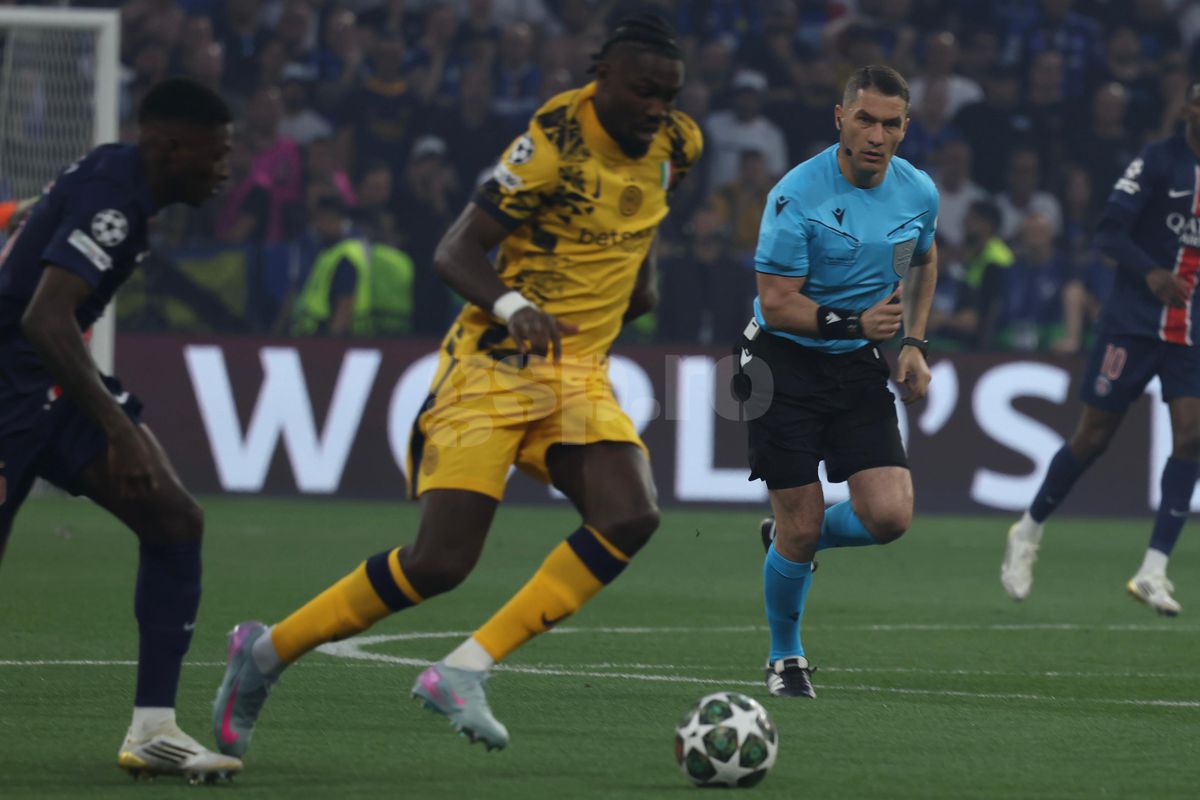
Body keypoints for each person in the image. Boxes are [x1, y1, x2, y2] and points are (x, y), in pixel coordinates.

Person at [212, 13, 702, 755]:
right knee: (440, 563)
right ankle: (264, 652)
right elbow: (455, 250)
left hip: (577, 374)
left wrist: (643, 281)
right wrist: (514, 306)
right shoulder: (551, 147)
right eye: (642, 91)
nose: (656, 109)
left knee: (631, 515)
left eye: (669, 95)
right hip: (492, 367)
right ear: (601, 77)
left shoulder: (678, 143)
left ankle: (464, 669)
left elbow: (647, 211)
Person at [0, 77, 240, 781]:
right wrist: (121, 430)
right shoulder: (113, 198)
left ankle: (154, 730)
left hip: (48, 383)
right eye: (215, 154)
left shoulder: (119, 177)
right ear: (171, 148)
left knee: (174, 519)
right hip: (10, 385)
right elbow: (45, 317)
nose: (224, 169)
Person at [740, 64, 938, 698]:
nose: (876, 135)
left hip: (854, 363)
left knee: (891, 517)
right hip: (779, 363)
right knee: (801, 525)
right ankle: (784, 658)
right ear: (840, 119)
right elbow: (776, 303)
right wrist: (855, 322)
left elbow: (924, 258)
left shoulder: (918, 192)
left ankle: (787, 541)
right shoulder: (796, 196)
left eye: (890, 124)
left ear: (905, 128)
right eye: (864, 120)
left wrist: (913, 343)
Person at [1001, 81, 1200, 617]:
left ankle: (1154, 569)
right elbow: (1108, 233)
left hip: (1188, 328)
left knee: (1192, 434)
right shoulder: (1158, 161)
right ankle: (1028, 529)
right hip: (1132, 323)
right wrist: (1151, 272)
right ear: (1189, 109)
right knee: (1093, 436)